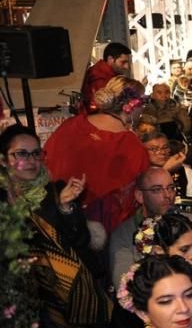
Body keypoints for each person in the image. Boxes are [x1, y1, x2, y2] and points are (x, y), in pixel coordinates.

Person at [1, 125, 110, 328]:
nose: (31, 160)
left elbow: (80, 241)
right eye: (21, 154)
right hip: (20, 296)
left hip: (66, 293)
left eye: (36, 153)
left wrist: (65, 207)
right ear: (3, 160)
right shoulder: (3, 199)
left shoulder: (57, 190)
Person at [45, 76, 149, 232]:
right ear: (132, 105)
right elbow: (132, 202)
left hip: (57, 220)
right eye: (143, 103)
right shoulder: (132, 146)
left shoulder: (71, 125)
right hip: (102, 233)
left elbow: (46, 164)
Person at [109, 167, 192, 287]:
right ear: (139, 196)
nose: (167, 195)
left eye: (171, 188)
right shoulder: (123, 233)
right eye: (157, 189)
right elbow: (124, 284)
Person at [81, 42, 131, 113]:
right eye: (123, 62)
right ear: (110, 59)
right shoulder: (98, 77)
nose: (126, 67)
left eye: (127, 63)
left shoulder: (103, 74)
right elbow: (98, 107)